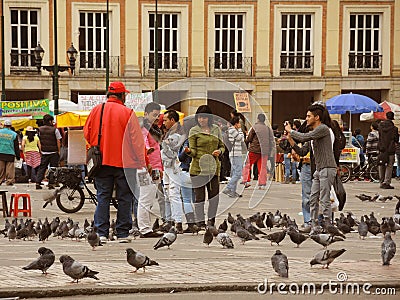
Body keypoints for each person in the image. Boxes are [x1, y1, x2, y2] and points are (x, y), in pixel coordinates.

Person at [84, 81, 145, 242]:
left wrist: (100, 145)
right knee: (125, 197)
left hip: (102, 162)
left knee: (103, 196)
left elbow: (87, 133)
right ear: (122, 95)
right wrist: (143, 161)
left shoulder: (97, 110)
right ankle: (123, 233)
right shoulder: (128, 113)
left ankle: (101, 232)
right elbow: (137, 141)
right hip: (125, 164)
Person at [285, 104, 337, 226]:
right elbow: (302, 151)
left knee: (324, 199)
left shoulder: (323, 129)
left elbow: (304, 137)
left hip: (327, 167)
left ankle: (327, 225)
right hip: (319, 170)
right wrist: (290, 140)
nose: (306, 119)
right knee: (313, 199)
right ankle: (313, 224)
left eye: (309, 116)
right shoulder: (314, 134)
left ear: (317, 117)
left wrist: (291, 131)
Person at [185, 105, 224, 227]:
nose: (202, 120)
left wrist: (220, 151)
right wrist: (188, 152)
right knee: (199, 198)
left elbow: (222, 146)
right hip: (198, 170)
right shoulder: (194, 131)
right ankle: (200, 223)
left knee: (214, 198)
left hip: (213, 169)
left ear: (209, 118)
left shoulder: (216, 129)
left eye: (204, 118)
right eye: (200, 118)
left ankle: (211, 221)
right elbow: (194, 152)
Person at [142, 102, 170, 226]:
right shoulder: (144, 128)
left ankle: (163, 219)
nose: (157, 118)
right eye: (154, 115)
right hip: (149, 167)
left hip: (157, 167)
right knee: (147, 198)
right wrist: (148, 150)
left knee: (159, 195)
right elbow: (144, 143)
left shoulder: (155, 129)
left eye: (158, 115)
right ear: (146, 114)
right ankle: (143, 225)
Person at [161, 109, 186, 233]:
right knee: (166, 194)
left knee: (174, 194)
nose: (163, 122)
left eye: (165, 120)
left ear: (172, 120)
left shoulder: (178, 135)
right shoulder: (169, 133)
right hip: (166, 167)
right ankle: (168, 219)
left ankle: (178, 222)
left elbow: (172, 149)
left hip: (174, 167)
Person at [242, 113, 273, 189]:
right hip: (264, 151)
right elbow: (271, 140)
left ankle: (246, 180)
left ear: (258, 119)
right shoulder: (268, 129)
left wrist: (245, 142)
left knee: (248, 164)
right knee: (262, 167)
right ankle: (262, 183)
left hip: (254, 150)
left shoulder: (255, 127)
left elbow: (249, 138)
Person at [35, 114, 62, 190]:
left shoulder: (39, 130)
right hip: (53, 152)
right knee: (53, 168)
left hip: (44, 152)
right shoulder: (55, 130)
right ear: (50, 121)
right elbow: (58, 140)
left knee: (42, 167)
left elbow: (39, 141)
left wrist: (41, 150)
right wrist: (59, 151)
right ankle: (51, 183)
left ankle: (38, 182)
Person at [222, 116, 245, 198]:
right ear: (236, 123)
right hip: (235, 154)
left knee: (234, 173)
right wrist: (240, 130)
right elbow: (241, 138)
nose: (240, 124)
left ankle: (233, 192)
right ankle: (228, 188)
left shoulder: (233, 130)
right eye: (239, 123)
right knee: (238, 173)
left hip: (236, 153)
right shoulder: (232, 130)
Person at [378, 111, 398, 189]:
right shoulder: (394, 128)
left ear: (386, 117)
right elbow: (396, 139)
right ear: (392, 118)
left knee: (381, 164)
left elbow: (379, 137)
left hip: (382, 148)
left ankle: (381, 181)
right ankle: (386, 182)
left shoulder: (380, 126)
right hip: (390, 149)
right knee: (389, 165)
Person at [0, 120, 20, 185]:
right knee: (10, 169)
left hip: (1, 152)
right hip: (10, 153)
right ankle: (9, 181)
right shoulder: (14, 134)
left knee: (0, 168)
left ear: (4, 125)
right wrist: (18, 156)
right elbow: (16, 146)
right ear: (10, 126)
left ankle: (0, 180)